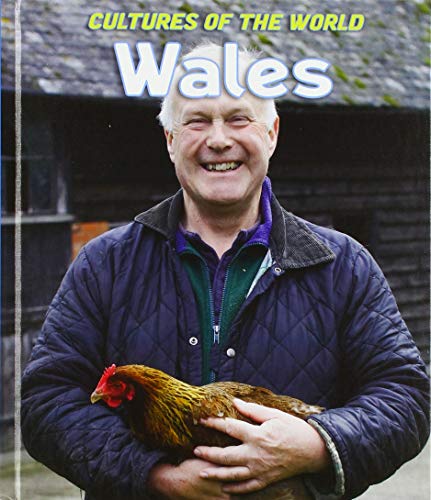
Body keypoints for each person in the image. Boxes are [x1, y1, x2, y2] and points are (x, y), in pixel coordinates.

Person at [21, 43, 429, 500]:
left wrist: (316, 445)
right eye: (197, 121)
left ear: (271, 133)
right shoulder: (105, 264)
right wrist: (156, 477)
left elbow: (405, 396)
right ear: (170, 140)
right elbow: (46, 403)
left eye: (238, 119)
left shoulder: (343, 265)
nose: (218, 139)